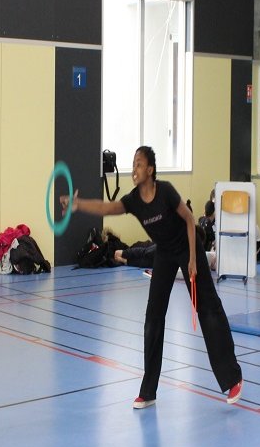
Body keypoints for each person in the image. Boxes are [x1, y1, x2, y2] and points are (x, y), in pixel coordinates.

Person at [61, 146, 243, 409]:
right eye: (133, 164)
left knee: (208, 308)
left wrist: (193, 259)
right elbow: (107, 207)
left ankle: (232, 377)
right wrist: (78, 204)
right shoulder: (134, 200)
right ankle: (148, 391)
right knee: (153, 317)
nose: (134, 169)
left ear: (150, 170)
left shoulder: (166, 191)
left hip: (187, 247)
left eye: (138, 164)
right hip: (165, 253)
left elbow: (190, 220)